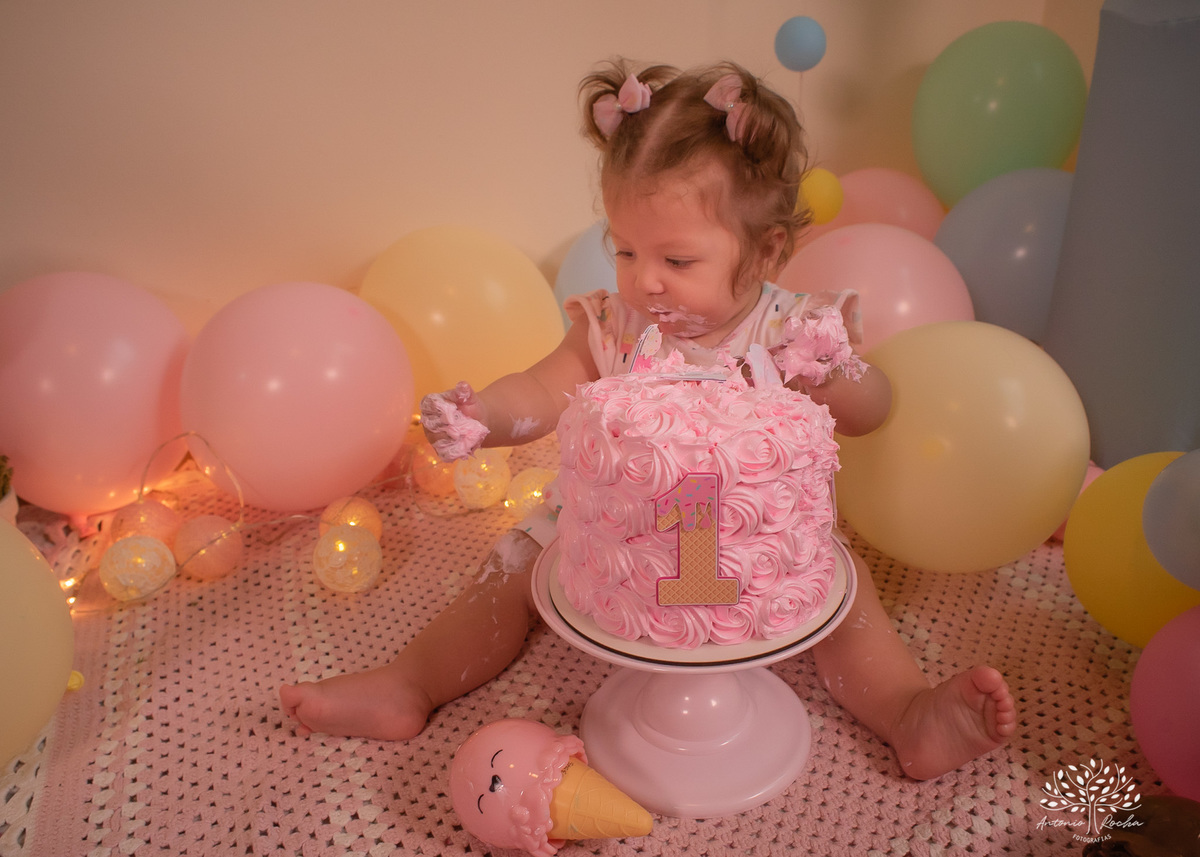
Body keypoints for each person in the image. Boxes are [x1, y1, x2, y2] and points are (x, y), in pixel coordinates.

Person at [281, 60, 1015, 780]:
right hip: (612, 529)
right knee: (504, 573)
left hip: (752, 544)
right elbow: (542, 387)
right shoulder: (617, 324)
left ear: (765, 250)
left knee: (849, 602)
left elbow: (874, 410)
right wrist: (487, 414)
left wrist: (832, 372)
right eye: (626, 249)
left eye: (677, 257)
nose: (645, 278)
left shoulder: (792, 327)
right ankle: (412, 681)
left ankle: (906, 710)